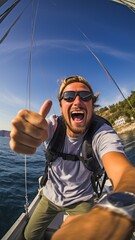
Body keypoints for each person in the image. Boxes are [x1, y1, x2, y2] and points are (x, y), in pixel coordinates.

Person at [10, 75, 135, 240]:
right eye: (69, 97)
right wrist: (29, 131)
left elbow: (125, 172)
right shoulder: (53, 126)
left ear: (92, 105)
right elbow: (40, 129)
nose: (77, 102)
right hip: (50, 197)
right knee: (27, 236)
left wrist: (116, 213)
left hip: (81, 200)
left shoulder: (102, 133)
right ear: (61, 106)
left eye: (85, 96)